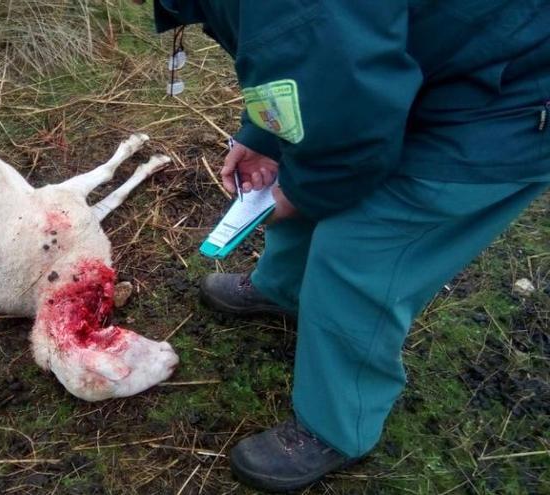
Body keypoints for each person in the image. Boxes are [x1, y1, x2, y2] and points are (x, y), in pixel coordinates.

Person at [134, 0, 550, 491]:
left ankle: (337, 426)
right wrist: (263, 135)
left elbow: (345, 116)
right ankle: (285, 289)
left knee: (362, 247)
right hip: (428, 69)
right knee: (313, 166)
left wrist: (304, 190)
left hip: (506, 101)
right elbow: (318, 71)